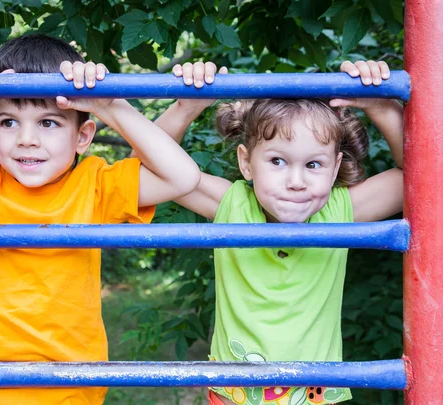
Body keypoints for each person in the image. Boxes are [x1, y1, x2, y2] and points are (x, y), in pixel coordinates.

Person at [0, 34, 201, 405]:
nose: (27, 139)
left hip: (67, 390)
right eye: (9, 122)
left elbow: (182, 177)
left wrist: (110, 106)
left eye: (48, 123)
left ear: (83, 135)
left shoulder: (95, 184)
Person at [160, 60, 403, 405]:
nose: (296, 182)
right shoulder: (231, 205)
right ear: (246, 162)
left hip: (315, 393)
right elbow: (153, 170)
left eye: (313, 164)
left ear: (335, 167)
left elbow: (424, 174)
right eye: (277, 161)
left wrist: (383, 107)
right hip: (235, 394)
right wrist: (186, 106)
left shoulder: (340, 211)